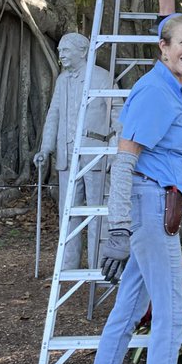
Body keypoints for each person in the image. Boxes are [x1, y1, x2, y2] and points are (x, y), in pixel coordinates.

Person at [71, 14, 182, 364]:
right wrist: (117, 228)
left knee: (128, 310)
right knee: (172, 316)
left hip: (158, 204)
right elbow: (126, 159)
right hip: (150, 208)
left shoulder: (177, 88)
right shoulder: (156, 90)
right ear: (163, 47)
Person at [34, 34, 119, 271]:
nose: (61, 55)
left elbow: (117, 116)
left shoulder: (102, 77)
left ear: (82, 51)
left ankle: (99, 264)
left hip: (96, 155)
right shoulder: (62, 80)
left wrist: (115, 152)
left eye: (65, 51)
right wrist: (46, 148)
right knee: (68, 212)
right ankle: (68, 265)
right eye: (60, 51)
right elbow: (54, 115)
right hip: (67, 155)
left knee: (97, 211)